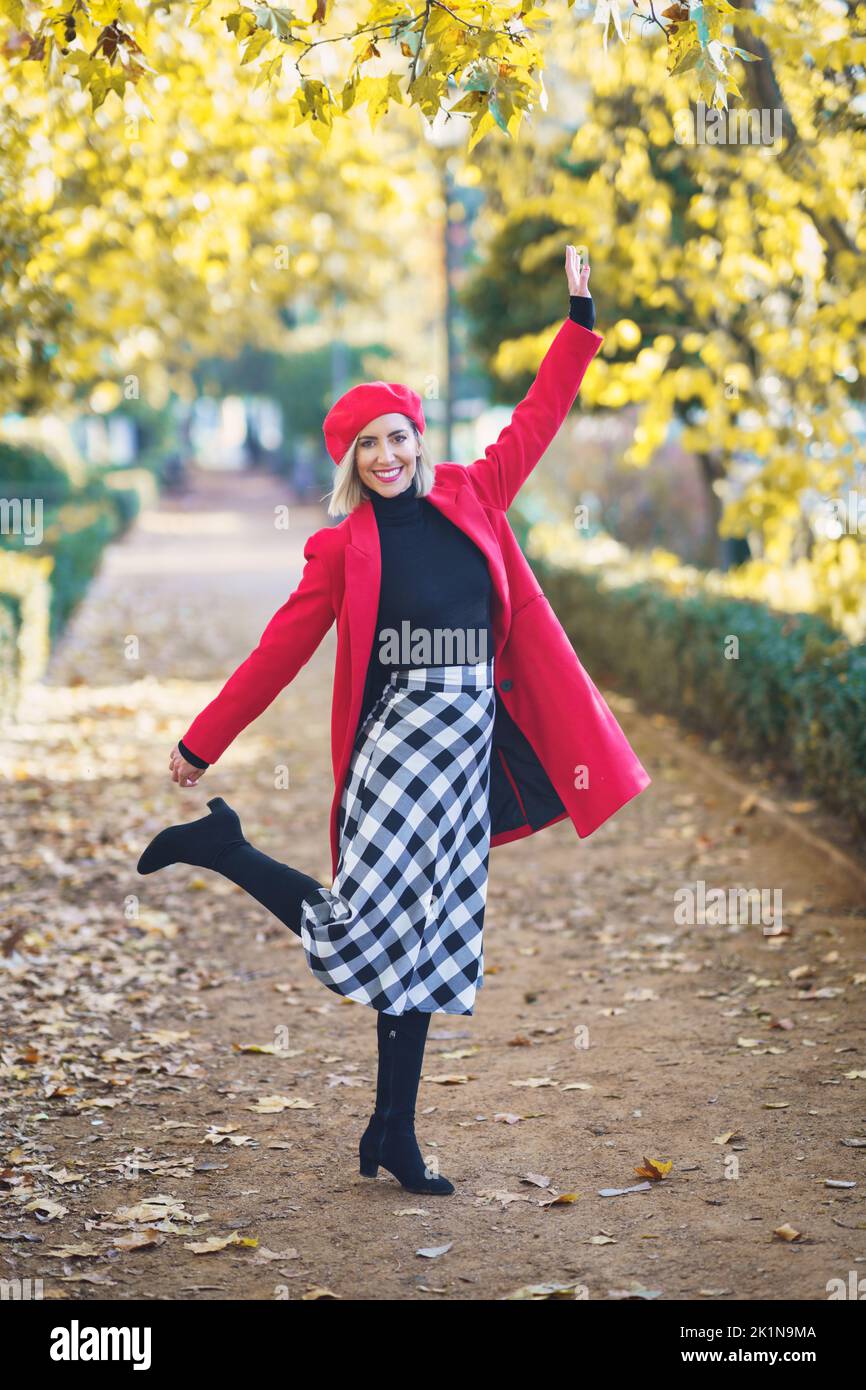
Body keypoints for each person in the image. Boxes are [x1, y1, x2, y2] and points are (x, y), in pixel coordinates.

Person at [137, 244, 651, 1196]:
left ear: (419, 438)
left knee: (425, 941)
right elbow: (277, 651)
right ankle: (227, 849)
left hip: (466, 752)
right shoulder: (340, 549)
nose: (387, 456)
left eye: (397, 437)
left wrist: (579, 326)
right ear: (350, 460)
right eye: (367, 445)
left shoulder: (474, 496)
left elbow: (537, 420)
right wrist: (201, 740)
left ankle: (392, 1134)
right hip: (397, 753)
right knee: (365, 934)